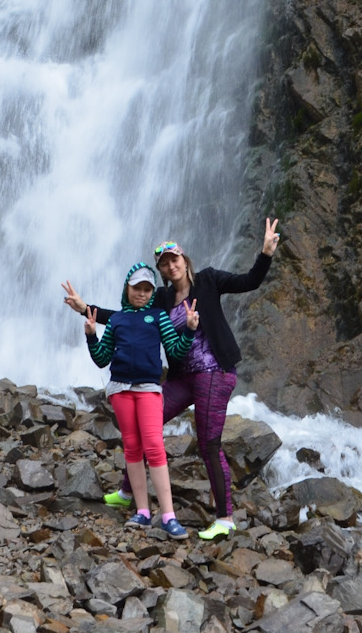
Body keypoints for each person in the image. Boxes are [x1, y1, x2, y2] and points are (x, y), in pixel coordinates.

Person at [64, 217, 280, 542]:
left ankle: (224, 518)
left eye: (174, 259)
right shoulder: (162, 300)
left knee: (209, 443)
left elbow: (250, 280)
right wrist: (86, 309)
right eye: (163, 264)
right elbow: (126, 317)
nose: (170, 266)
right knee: (143, 423)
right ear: (161, 271)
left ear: (184, 260)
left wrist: (265, 254)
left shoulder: (208, 281)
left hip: (214, 373)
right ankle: (128, 492)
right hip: (183, 378)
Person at [84, 261, 198, 539]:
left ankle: (169, 515)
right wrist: (91, 336)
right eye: (138, 288)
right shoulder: (115, 320)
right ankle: (143, 512)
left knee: (154, 446)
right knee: (133, 448)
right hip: (120, 390)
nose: (143, 293)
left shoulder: (159, 316)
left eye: (148, 289)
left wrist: (191, 330)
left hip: (148, 388)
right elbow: (101, 359)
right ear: (128, 288)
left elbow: (174, 349)